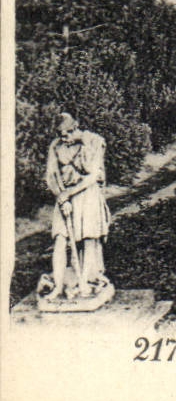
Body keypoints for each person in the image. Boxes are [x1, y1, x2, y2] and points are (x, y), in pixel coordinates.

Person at [42, 113, 112, 303]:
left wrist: (69, 194)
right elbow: (51, 176)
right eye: (61, 135)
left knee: (89, 238)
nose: (64, 138)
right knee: (59, 239)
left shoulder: (95, 142)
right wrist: (62, 199)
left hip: (88, 194)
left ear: (76, 128)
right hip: (64, 197)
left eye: (67, 134)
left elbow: (93, 175)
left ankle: (84, 281)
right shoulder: (56, 146)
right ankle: (57, 286)